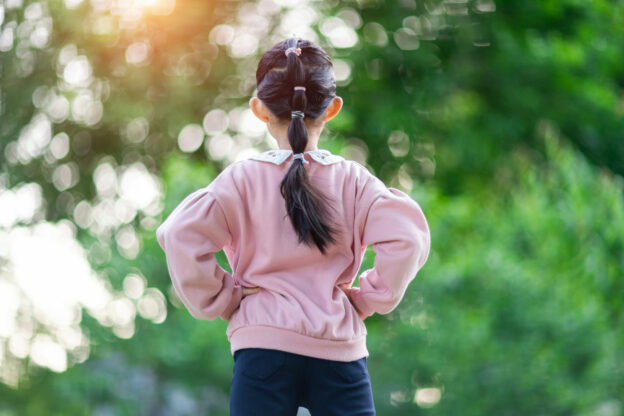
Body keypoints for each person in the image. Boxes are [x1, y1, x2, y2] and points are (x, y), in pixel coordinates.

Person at [155, 35, 431, 416]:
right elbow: (407, 237)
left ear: (259, 109)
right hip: (340, 351)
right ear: (332, 108)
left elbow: (180, 235)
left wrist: (226, 298)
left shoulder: (241, 180)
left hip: (262, 351)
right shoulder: (354, 180)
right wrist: (369, 297)